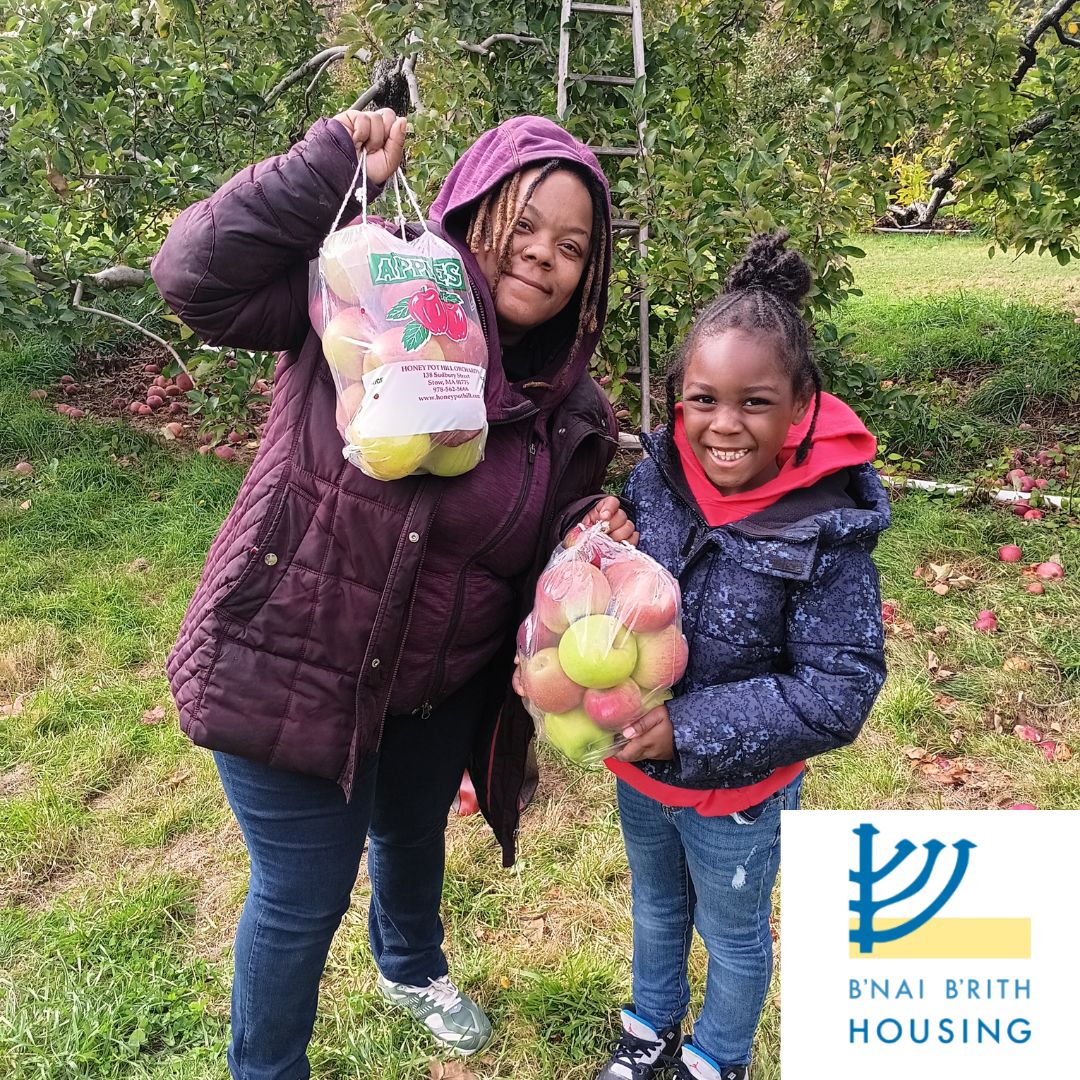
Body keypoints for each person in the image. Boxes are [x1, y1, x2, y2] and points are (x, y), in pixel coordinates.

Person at [151, 108, 637, 1079]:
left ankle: (411, 967)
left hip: (434, 691)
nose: (543, 256)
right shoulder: (367, 293)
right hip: (296, 662)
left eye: (572, 246)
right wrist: (330, 163)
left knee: (412, 834)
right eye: (523, 223)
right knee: (302, 897)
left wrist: (590, 527)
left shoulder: (569, 408)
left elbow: (538, 533)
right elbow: (194, 278)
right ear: (472, 210)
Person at [592, 232, 889, 1080]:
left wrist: (688, 729)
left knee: (732, 932)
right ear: (678, 400)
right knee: (655, 908)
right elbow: (627, 589)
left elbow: (838, 689)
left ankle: (718, 1054)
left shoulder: (824, 531)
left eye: (754, 403)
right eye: (703, 400)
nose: (724, 425)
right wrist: (603, 533)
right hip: (640, 771)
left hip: (741, 793)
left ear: (800, 407)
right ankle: (651, 1026)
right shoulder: (657, 480)